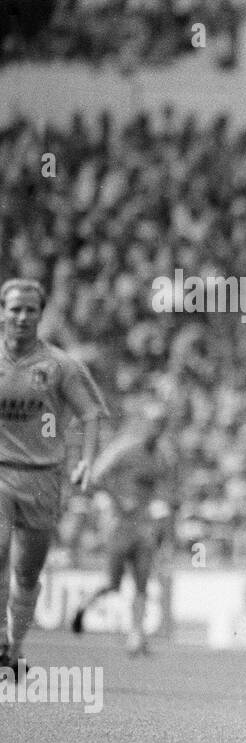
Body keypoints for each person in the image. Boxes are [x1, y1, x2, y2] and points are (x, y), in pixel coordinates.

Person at [0, 278, 108, 677]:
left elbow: (92, 414)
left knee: (27, 573)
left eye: (30, 310)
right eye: (14, 308)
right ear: (2, 311)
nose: (22, 316)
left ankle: (14, 648)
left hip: (44, 477)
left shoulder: (60, 366)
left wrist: (87, 460)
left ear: (41, 315)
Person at [71, 404, 175, 654]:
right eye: (154, 424)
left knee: (142, 581)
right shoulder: (125, 449)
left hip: (143, 525)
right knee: (113, 584)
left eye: (161, 425)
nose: (157, 430)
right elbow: (95, 477)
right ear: (145, 424)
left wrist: (159, 512)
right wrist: (118, 501)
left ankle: (136, 637)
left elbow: (163, 489)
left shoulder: (162, 456)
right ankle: (85, 604)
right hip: (118, 524)